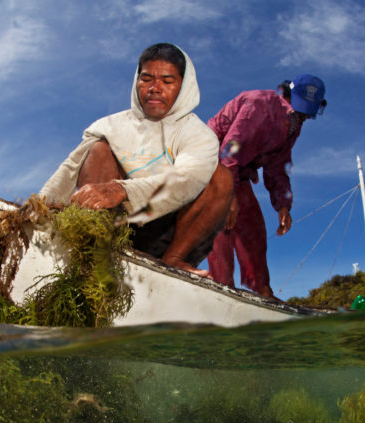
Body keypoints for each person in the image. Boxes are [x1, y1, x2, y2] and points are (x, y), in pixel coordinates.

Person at [38, 43, 233, 275]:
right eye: (146, 79)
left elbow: (187, 180)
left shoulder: (200, 135)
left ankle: (174, 259)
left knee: (221, 176)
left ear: (183, 86)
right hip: (118, 225)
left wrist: (123, 190)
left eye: (167, 81)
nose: (155, 88)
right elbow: (68, 171)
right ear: (136, 81)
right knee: (99, 149)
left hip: (167, 232)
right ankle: (97, 248)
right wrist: (38, 210)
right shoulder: (108, 125)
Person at [206, 75, 326, 297]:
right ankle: (221, 288)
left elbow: (278, 164)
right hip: (212, 162)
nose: (302, 118)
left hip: (237, 172)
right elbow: (228, 152)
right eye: (300, 112)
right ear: (288, 95)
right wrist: (228, 195)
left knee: (254, 227)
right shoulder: (259, 105)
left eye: (306, 115)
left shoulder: (293, 125)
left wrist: (283, 205)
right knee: (223, 223)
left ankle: (261, 290)